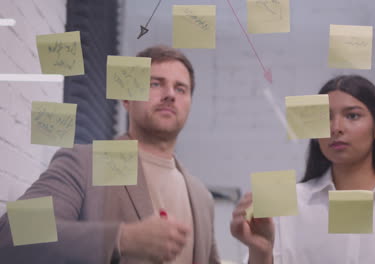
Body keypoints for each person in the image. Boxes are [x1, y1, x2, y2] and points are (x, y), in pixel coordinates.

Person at [0, 45, 221, 264]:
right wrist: (122, 239)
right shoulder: (84, 164)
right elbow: (12, 234)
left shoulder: (202, 196)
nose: (170, 95)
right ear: (126, 99)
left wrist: (256, 249)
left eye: (181, 89)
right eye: (155, 84)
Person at [230, 75, 375, 264]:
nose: (336, 128)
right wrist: (261, 251)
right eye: (325, 117)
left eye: (352, 116)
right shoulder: (288, 203)